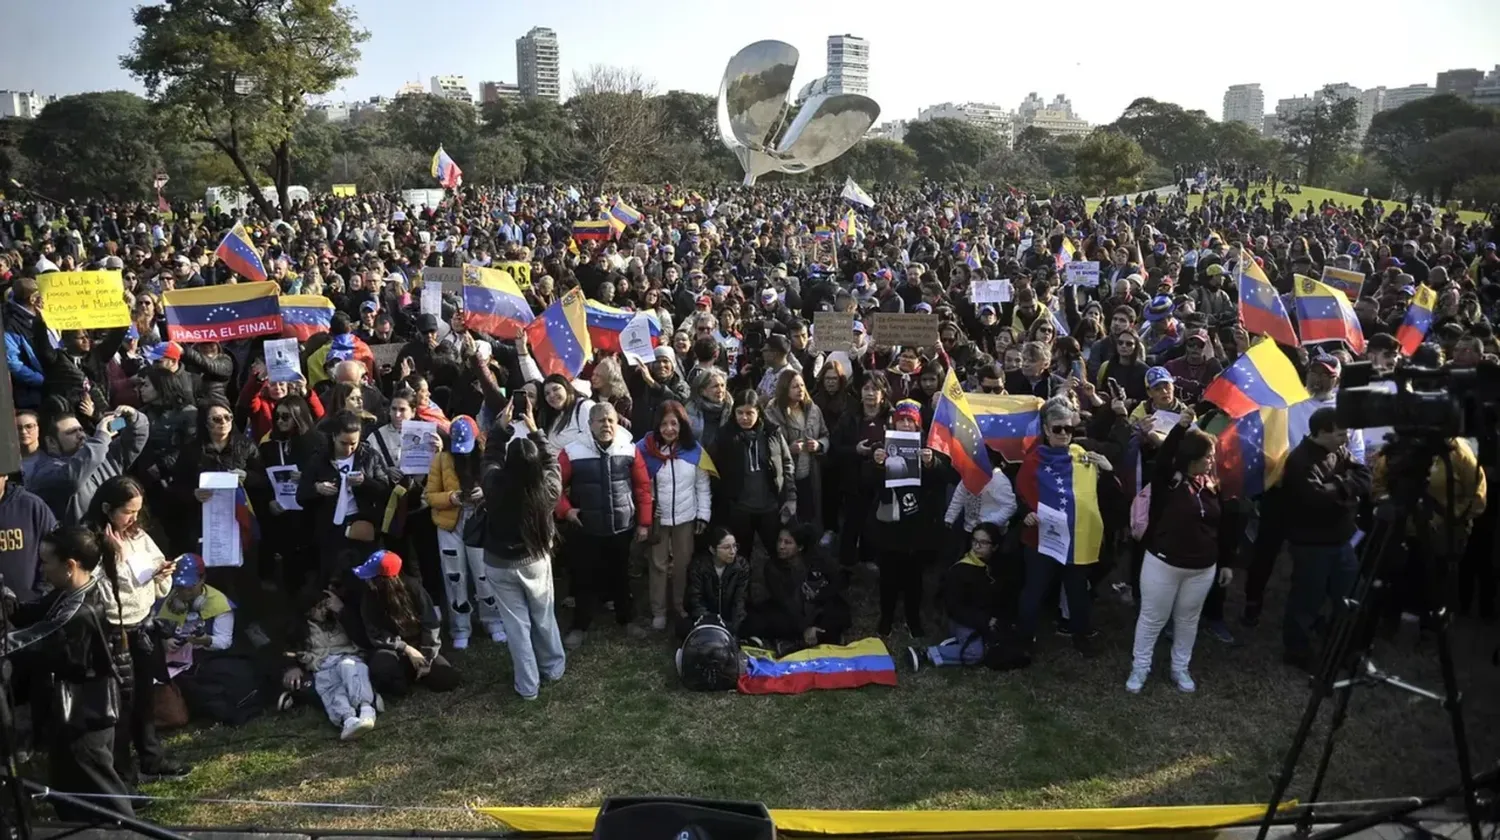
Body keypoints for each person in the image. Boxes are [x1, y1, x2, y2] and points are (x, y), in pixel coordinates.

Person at [5, 526, 135, 820]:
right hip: (70, 714)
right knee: (72, 800)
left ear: (70, 565)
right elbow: (28, 613)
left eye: (46, 561)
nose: (42, 567)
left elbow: (31, 639)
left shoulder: (79, 610)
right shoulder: (71, 591)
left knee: (108, 803)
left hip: (86, 717)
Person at [81, 475, 191, 785]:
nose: (133, 518)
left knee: (145, 697)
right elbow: (105, 592)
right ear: (107, 508)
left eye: (137, 510)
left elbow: (156, 584)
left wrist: (161, 573)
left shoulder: (138, 534)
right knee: (120, 707)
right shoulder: (92, 541)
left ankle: (151, 758)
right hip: (115, 632)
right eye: (127, 511)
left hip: (144, 625)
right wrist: (120, 559)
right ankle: (123, 774)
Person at [1126, 408, 1236, 694]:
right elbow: (1164, 459)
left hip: (1202, 568)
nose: (1212, 461)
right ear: (1191, 458)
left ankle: (1180, 668)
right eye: (1208, 456)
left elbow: (1222, 527)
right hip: (1164, 564)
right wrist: (1180, 428)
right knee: (1153, 618)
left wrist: (1225, 562)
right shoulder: (1168, 482)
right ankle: (1140, 668)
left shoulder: (1212, 485)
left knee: (1188, 619)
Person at [479, 401, 567, 700]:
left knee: (516, 626)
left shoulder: (493, 483)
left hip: (499, 562)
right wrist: (534, 429)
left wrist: (501, 428)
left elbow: (489, 456)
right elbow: (552, 463)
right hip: (534, 560)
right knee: (543, 615)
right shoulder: (547, 488)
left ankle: (528, 686)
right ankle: (553, 668)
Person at [1015, 399, 1112, 658]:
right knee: (1034, 591)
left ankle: (1082, 636)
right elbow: (1021, 494)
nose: (1063, 434)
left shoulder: (1083, 455)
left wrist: (1107, 470)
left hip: (1076, 540)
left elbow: (1105, 495)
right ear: (1046, 430)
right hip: (1040, 539)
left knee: (1078, 591)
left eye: (1068, 429)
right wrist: (1026, 514)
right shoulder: (1033, 460)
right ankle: (1025, 639)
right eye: (1057, 429)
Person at [1279, 407, 1371, 671]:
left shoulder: (1339, 451)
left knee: (1349, 596)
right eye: (1340, 433)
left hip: (1342, 543)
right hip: (1311, 546)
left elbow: (1363, 475)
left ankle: (1345, 648)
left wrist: (1341, 489)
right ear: (1322, 433)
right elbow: (1317, 499)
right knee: (1307, 600)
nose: (1346, 438)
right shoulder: (1300, 461)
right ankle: (1298, 651)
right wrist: (1348, 490)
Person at [556, 402, 653, 648]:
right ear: (590, 425)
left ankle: (627, 619)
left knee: (621, 576)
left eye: (610, 420)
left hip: (621, 527)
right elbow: (554, 486)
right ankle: (580, 625)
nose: (606, 425)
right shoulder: (572, 451)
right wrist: (566, 511)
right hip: (586, 528)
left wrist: (643, 522)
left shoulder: (629, 449)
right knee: (585, 578)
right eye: (600, 420)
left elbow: (643, 488)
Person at [425, 415, 505, 648]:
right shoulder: (441, 460)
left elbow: (500, 488)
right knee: (454, 575)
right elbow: (429, 495)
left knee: (484, 573)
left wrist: (485, 493)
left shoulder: (486, 459)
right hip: (450, 523)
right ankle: (460, 627)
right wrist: (452, 497)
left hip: (479, 521)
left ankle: (494, 621)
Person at [637, 400, 712, 631]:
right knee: (658, 564)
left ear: (682, 424)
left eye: (674, 423)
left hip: (686, 517)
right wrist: (647, 511)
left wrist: (703, 515)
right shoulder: (644, 449)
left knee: (683, 563)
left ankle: (679, 605)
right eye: (664, 424)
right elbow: (639, 485)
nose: (669, 429)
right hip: (658, 519)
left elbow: (702, 485)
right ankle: (658, 610)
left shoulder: (694, 451)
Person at [297, 410, 397, 581]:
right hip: (330, 529)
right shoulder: (319, 459)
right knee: (332, 578)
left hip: (362, 525)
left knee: (363, 578)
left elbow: (386, 491)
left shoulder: (369, 457)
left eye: (354, 443)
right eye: (344, 443)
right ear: (334, 436)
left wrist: (365, 482)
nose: (349, 449)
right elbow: (301, 495)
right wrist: (317, 489)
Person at [356, 549, 462, 696]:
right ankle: (405, 676)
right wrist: (405, 648)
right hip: (392, 648)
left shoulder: (414, 588)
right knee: (386, 676)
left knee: (446, 680)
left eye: (371, 577)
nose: (367, 581)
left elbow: (430, 624)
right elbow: (375, 631)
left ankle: (417, 671)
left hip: (420, 643)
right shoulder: (369, 596)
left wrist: (427, 656)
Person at [283, 586, 380, 740]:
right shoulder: (300, 629)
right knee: (329, 686)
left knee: (350, 669)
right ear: (307, 610)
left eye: (325, 606)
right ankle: (347, 720)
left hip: (347, 655)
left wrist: (341, 610)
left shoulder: (339, 619)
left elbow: (362, 635)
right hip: (322, 664)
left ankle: (366, 708)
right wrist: (292, 666)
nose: (323, 611)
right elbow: (288, 650)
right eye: (318, 608)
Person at [711, 389, 796, 562]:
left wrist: (791, 497)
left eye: (750, 413)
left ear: (759, 412)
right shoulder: (724, 437)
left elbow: (787, 464)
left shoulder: (772, 433)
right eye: (740, 413)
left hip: (770, 507)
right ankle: (742, 587)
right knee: (741, 557)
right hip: (740, 508)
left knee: (778, 554)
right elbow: (713, 471)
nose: (744, 418)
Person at [907, 522, 1004, 669]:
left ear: (995, 547)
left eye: (983, 543)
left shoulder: (998, 567)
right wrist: (984, 621)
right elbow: (955, 609)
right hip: (962, 620)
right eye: (975, 541)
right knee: (975, 653)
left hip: (986, 619)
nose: (977, 546)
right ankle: (927, 653)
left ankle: (959, 644)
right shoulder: (960, 570)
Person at [32, 404, 149, 526]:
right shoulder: (45, 472)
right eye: (72, 432)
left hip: (121, 533)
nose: (81, 435)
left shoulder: (103, 453)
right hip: (85, 541)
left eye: (81, 430)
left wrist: (132, 418)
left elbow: (135, 438)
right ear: (51, 442)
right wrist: (101, 438)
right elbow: (72, 478)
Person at [741, 524, 850, 652]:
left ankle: (807, 639)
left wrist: (820, 596)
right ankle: (813, 637)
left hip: (816, 605)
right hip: (790, 612)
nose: (781, 546)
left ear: (800, 547)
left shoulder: (817, 558)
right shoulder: (772, 567)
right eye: (780, 541)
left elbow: (839, 579)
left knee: (839, 612)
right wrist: (805, 628)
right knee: (760, 620)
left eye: (788, 543)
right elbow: (785, 602)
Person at [764, 370, 829, 531]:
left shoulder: (813, 409)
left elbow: (825, 435)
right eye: (794, 387)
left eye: (801, 385)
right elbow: (767, 444)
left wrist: (819, 444)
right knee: (786, 521)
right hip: (785, 478)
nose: (800, 389)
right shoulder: (772, 413)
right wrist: (788, 448)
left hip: (809, 474)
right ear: (785, 389)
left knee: (808, 517)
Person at [682, 526, 750, 638]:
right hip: (706, 618)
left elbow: (740, 600)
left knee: (753, 623)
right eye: (726, 547)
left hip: (729, 618)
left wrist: (733, 626)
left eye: (734, 546)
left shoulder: (741, 566)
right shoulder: (698, 566)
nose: (732, 552)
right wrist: (714, 623)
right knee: (683, 626)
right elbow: (695, 600)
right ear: (713, 549)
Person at [0, 470, 57, 600]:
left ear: (6, 474)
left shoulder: (32, 507)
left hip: (28, 611)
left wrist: (40, 596)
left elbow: (56, 554)